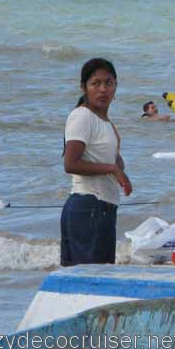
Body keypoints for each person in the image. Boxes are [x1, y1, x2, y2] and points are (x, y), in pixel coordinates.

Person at [61, 58, 133, 267]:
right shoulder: (82, 116)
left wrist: (117, 164)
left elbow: (103, 158)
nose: (103, 89)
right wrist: (112, 168)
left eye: (108, 83)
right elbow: (71, 164)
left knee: (96, 279)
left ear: (116, 86)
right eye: (96, 83)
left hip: (101, 209)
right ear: (84, 87)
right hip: (88, 208)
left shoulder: (105, 121)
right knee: (89, 280)